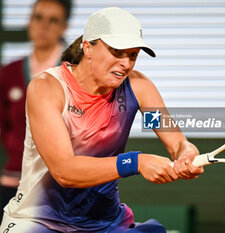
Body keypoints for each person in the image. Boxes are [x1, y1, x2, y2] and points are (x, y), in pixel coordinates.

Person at [0, 7, 204, 233]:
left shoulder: (139, 88)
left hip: (105, 224)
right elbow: (64, 171)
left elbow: (176, 142)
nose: (126, 64)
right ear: (88, 47)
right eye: (117, 51)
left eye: (133, 55)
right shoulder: (46, 88)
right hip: (37, 221)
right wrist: (136, 162)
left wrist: (185, 153)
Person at [0, 0, 71, 220]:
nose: (44, 26)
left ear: (64, 27)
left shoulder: (76, 73)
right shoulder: (9, 72)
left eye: (53, 20)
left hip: (63, 186)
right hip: (13, 182)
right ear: (29, 21)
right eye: (38, 18)